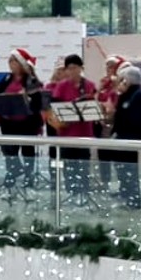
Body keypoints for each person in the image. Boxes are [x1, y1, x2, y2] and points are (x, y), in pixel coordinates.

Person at [0, 48, 44, 189]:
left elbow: (37, 103)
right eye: (9, 60)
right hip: (9, 123)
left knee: (28, 153)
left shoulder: (30, 80)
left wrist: (26, 97)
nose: (10, 63)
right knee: (9, 153)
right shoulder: (7, 78)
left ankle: (29, 182)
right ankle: (10, 181)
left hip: (27, 124)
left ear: (21, 63)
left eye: (13, 60)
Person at [50, 54, 97, 198]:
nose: (71, 71)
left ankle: (84, 194)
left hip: (84, 133)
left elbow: (94, 107)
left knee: (83, 166)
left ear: (81, 68)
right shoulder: (61, 86)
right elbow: (55, 107)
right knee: (69, 167)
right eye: (68, 68)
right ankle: (72, 194)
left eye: (74, 68)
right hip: (66, 133)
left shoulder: (89, 85)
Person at [111, 66, 141, 210]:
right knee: (123, 169)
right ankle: (127, 195)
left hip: (131, 137)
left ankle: (134, 200)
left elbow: (137, 118)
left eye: (123, 80)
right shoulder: (128, 95)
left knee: (130, 170)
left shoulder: (140, 95)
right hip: (123, 136)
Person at [95, 55, 126, 191]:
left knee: (118, 156)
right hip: (103, 122)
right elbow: (97, 98)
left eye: (112, 66)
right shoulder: (103, 82)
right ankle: (105, 182)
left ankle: (122, 184)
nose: (109, 69)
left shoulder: (121, 83)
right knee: (103, 155)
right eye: (107, 66)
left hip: (115, 123)